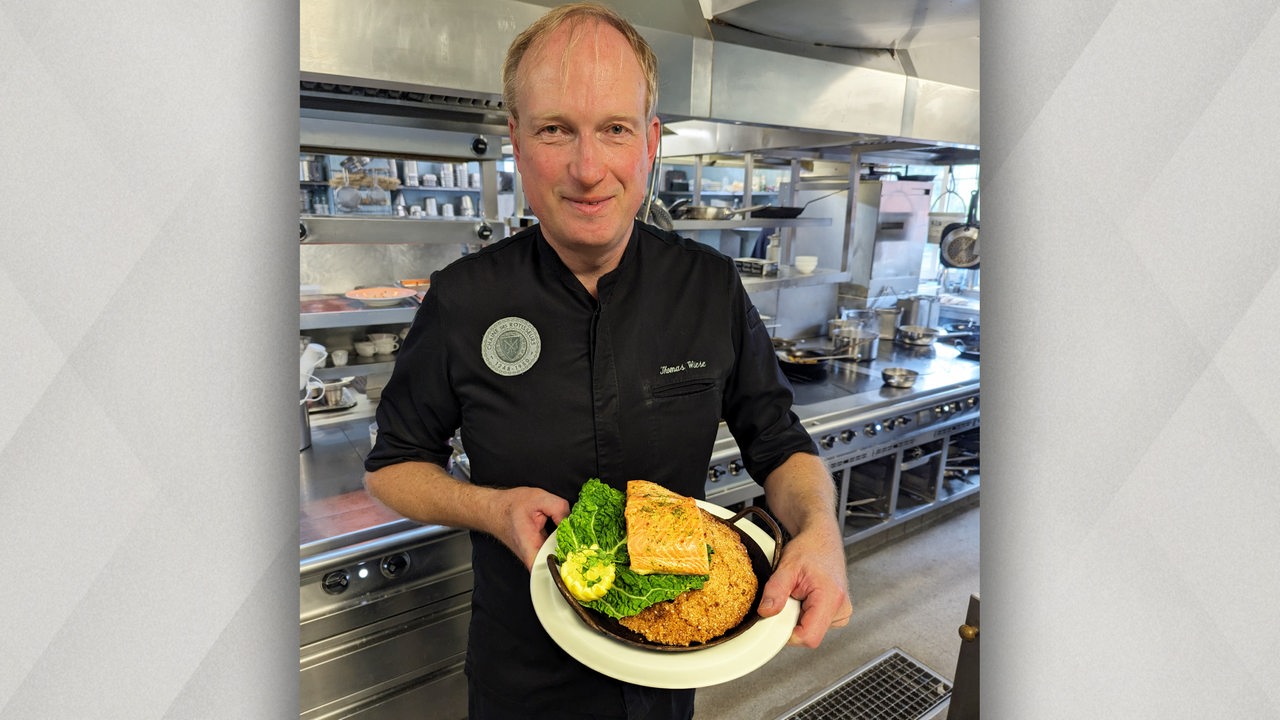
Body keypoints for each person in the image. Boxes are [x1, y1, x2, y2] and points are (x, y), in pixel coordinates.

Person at [363, 3, 852, 718]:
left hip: (669, 671)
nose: (588, 170)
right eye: (556, 129)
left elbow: (779, 443)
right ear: (518, 142)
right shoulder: (463, 299)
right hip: (520, 679)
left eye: (614, 129)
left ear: (649, 142)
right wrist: (491, 508)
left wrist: (819, 532)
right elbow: (392, 469)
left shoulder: (709, 288)